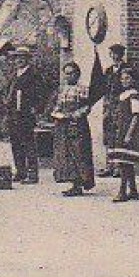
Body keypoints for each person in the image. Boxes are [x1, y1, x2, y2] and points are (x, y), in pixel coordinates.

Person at [48, 60, 96, 196]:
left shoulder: (83, 89)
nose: (68, 76)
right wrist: (57, 114)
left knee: (79, 153)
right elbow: (57, 106)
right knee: (66, 153)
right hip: (62, 125)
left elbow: (86, 107)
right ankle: (72, 182)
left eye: (71, 74)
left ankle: (80, 183)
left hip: (77, 124)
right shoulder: (62, 89)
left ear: (77, 74)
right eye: (66, 74)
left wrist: (73, 115)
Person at [108, 65, 139, 203]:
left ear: (133, 79)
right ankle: (134, 191)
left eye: (127, 78)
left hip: (128, 130)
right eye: (122, 78)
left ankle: (122, 191)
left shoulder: (134, 95)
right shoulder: (122, 95)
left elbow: (136, 115)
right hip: (120, 129)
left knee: (124, 163)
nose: (124, 81)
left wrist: (129, 134)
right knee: (126, 163)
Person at [5, 45, 44, 184]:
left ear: (28, 59)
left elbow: (41, 93)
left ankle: (32, 174)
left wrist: (37, 108)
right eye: (17, 58)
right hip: (13, 113)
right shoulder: (14, 75)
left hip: (26, 113)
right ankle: (20, 171)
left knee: (28, 143)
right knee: (15, 143)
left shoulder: (33, 74)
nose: (19, 60)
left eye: (22, 57)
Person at [99, 43, 129, 176]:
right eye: (112, 53)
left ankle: (118, 167)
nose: (114, 56)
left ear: (121, 55)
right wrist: (105, 106)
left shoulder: (127, 70)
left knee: (118, 135)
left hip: (120, 105)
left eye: (117, 53)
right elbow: (105, 89)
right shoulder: (108, 71)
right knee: (108, 136)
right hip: (109, 106)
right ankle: (109, 165)